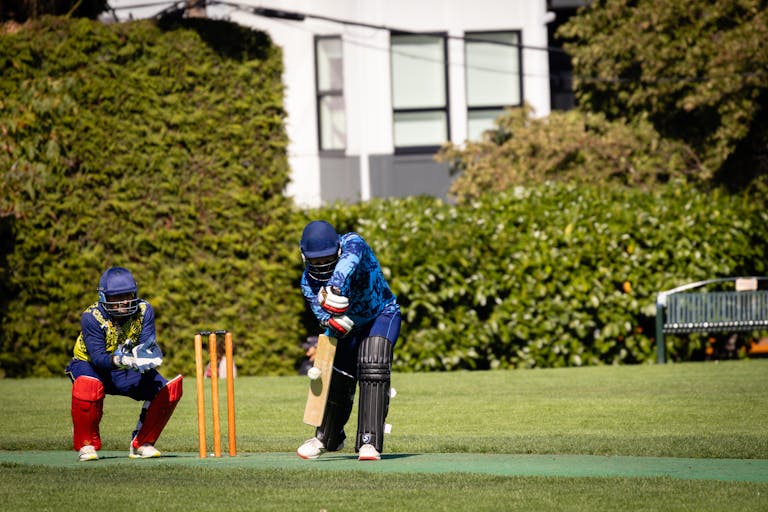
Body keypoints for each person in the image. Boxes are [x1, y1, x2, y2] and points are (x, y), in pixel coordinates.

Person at [296, 220, 401, 461]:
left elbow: (348, 264)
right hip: (348, 328)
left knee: (372, 362)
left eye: (327, 259)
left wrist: (333, 287)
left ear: (337, 249)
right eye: (316, 261)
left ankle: (369, 442)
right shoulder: (307, 282)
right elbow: (322, 314)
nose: (321, 265)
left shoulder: (353, 243)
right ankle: (327, 437)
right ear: (305, 256)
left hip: (381, 314)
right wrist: (330, 321)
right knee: (338, 377)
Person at [65, 266, 183, 462]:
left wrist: (146, 357)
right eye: (117, 297)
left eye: (128, 295)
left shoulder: (144, 310)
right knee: (88, 387)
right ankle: (87, 445)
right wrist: (119, 359)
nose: (125, 301)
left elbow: (147, 344)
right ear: (104, 297)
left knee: (167, 390)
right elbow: (98, 359)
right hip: (89, 365)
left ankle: (142, 443)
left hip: (125, 367)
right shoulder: (91, 317)